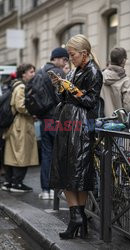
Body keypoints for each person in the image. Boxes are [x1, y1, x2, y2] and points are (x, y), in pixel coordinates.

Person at [50, 34, 103, 239]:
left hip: (80, 126)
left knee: (74, 173)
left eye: (72, 54)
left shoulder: (93, 72)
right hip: (69, 123)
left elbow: (91, 101)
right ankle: (79, 219)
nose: (70, 58)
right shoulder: (74, 71)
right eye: (69, 54)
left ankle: (76, 220)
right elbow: (64, 98)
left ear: (84, 53)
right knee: (71, 172)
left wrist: (73, 89)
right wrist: (60, 86)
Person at [1, 64, 39, 192]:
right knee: (21, 154)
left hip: (14, 124)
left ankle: (9, 182)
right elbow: (21, 106)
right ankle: (17, 183)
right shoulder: (21, 87)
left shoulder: (14, 84)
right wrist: (33, 111)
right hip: (21, 124)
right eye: (31, 72)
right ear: (23, 74)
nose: (33, 74)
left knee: (12, 155)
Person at [39, 47, 69, 200]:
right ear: (56, 58)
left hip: (44, 119)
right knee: (58, 155)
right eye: (64, 59)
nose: (64, 63)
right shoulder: (59, 73)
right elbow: (63, 97)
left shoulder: (41, 71)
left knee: (46, 154)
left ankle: (45, 190)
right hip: (56, 119)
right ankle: (55, 190)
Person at [100, 47, 130, 117]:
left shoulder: (100, 76)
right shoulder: (126, 81)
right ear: (123, 61)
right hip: (119, 123)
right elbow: (128, 107)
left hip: (102, 121)